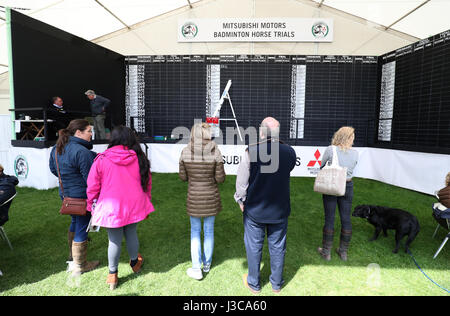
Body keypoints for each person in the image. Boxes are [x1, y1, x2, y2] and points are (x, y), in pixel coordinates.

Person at [86, 126, 154, 290]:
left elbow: (92, 186)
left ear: (113, 139)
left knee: (114, 240)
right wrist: (146, 200)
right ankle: (134, 263)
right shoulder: (139, 158)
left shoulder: (101, 159)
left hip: (111, 207)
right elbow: (147, 182)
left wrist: (91, 204)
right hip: (133, 204)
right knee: (131, 233)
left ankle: (112, 275)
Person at [234, 117, 296, 294]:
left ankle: (254, 283)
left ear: (261, 132)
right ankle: (276, 284)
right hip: (279, 210)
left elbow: (241, 182)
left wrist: (241, 200)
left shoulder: (251, 151)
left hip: (255, 209)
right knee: (278, 248)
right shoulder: (289, 152)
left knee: (254, 247)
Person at [49, 119, 99, 275]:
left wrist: (69, 178)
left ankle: (72, 256)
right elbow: (91, 179)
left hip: (65, 195)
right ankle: (80, 265)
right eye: (89, 131)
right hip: (81, 197)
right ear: (78, 132)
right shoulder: (81, 152)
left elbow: (53, 169)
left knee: (75, 221)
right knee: (82, 226)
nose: (91, 134)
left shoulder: (56, 148)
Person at [179, 122, 225, 280]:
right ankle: (206, 264)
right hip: (211, 197)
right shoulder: (215, 151)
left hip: (194, 197)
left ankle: (196, 267)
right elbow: (220, 179)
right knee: (209, 231)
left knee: (195, 232)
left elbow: (183, 177)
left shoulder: (185, 151)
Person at [317, 126, 358, 261]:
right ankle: (343, 252)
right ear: (349, 138)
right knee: (346, 218)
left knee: (330, 218)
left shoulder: (331, 149)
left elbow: (322, 166)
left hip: (332, 184)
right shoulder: (355, 153)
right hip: (348, 186)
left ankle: (326, 252)